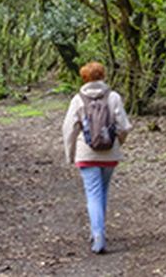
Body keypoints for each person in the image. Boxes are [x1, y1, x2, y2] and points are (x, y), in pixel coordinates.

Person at [61, 61, 133, 254]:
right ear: (103, 76)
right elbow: (124, 126)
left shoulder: (78, 99)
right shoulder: (114, 97)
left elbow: (69, 129)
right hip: (110, 154)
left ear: (84, 78)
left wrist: (70, 154)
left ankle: (98, 235)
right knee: (102, 191)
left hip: (87, 154)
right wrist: (118, 143)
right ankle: (99, 231)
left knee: (93, 193)